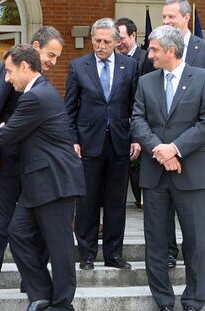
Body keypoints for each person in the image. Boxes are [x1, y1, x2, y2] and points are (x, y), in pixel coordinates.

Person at [0, 26, 64, 311]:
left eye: (57, 57)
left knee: (34, 224)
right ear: (34, 47)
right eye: (50, 55)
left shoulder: (37, 79)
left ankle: (34, 286)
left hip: (29, 165)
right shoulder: (9, 69)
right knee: (2, 225)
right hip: (2, 162)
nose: (53, 62)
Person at [0, 44, 85, 311]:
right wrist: (2, 130)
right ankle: (41, 292)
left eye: (10, 71)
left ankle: (62, 304)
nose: (7, 78)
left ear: (25, 67)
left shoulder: (36, 96)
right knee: (17, 232)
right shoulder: (37, 93)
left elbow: (8, 134)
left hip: (55, 182)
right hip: (37, 183)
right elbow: (15, 130)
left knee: (60, 246)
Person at [131, 25, 205, 311]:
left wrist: (175, 149)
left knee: (197, 242)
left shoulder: (201, 78)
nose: (149, 55)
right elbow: (137, 120)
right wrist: (160, 151)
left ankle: (195, 299)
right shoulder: (146, 82)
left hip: (192, 174)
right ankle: (163, 300)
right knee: (156, 242)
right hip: (155, 174)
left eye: (153, 50)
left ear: (170, 51)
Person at [65, 17, 139, 271]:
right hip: (88, 145)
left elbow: (135, 107)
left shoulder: (130, 67)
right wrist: (73, 140)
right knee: (87, 201)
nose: (101, 45)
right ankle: (86, 254)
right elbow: (69, 110)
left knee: (116, 202)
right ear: (92, 40)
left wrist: (137, 139)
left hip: (119, 143)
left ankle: (114, 254)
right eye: (97, 40)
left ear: (117, 42)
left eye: (106, 41)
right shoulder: (78, 66)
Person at [162, 0, 205, 269]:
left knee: (195, 219)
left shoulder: (203, 49)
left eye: (171, 17)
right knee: (163, 209)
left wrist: (180, 146)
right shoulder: (155, 49)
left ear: (187, 18)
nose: (166, 22)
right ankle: (168, 251)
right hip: (163, 150)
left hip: (197, 147)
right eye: (163, 16)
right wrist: (164, 148)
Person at [115, 17, 155, 211]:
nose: (118, 42)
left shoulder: (145, 58)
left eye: (121, 37)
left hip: (138, 125)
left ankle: (142, 202)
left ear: (133, 35)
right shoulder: (115, 61)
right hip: (119, 126)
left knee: (138, 171)